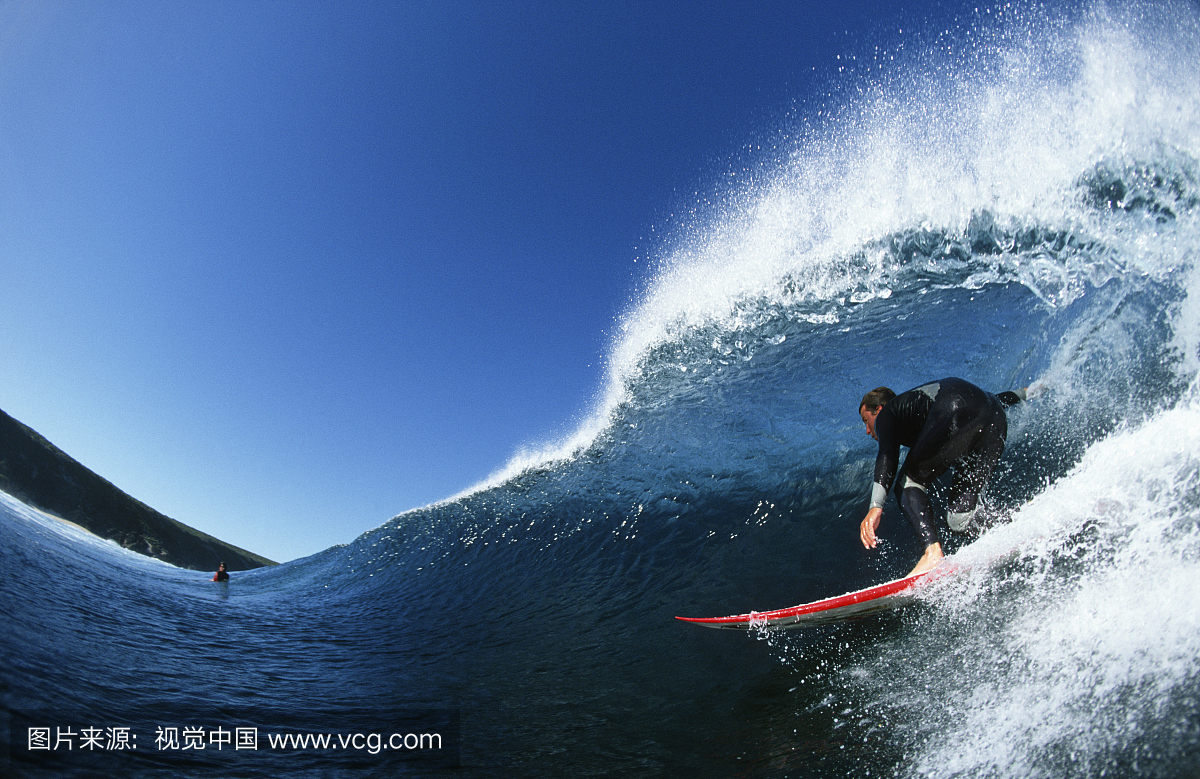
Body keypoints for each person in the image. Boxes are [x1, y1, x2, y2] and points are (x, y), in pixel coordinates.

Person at [858, 377, 1028, 576]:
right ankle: (1018, 520)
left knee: (907, 483)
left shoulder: (886, 414)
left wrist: (875, 507)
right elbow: (982, 402)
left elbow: (887, 454)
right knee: (960, 519)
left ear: (878, 410)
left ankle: (932, 552)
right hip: (993, 416)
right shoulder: (918, 412)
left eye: (866, 421)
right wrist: (1026, 393)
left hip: (955, 408)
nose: (868, 430)